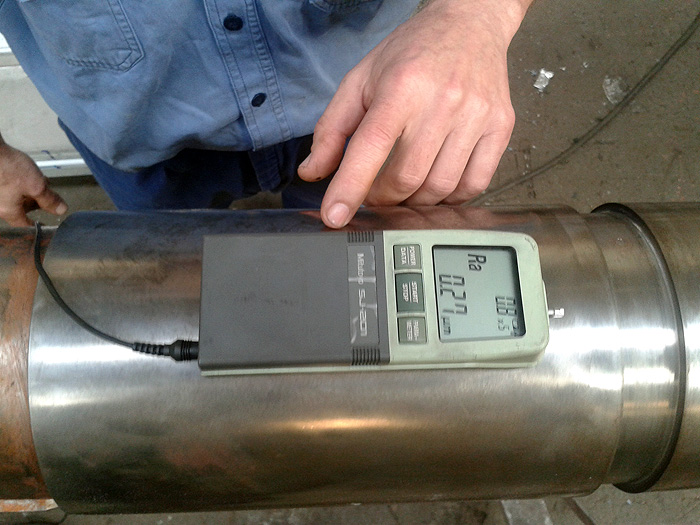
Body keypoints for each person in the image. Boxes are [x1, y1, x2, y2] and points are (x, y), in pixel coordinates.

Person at [0, 0, 531, 229]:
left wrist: (476, 14)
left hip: (358, 102)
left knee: (349, 258)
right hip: (145, 137)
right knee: (178, 281)